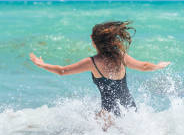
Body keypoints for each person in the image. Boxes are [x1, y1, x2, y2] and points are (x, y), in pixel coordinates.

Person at [29, 21, 170, 119]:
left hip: (109, 114)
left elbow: (62, 71)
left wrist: (42, 64)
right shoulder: (121, 57)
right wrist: (158, 66)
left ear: (92, 40)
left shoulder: (92, 62)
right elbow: (144, 66)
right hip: (130, 110)